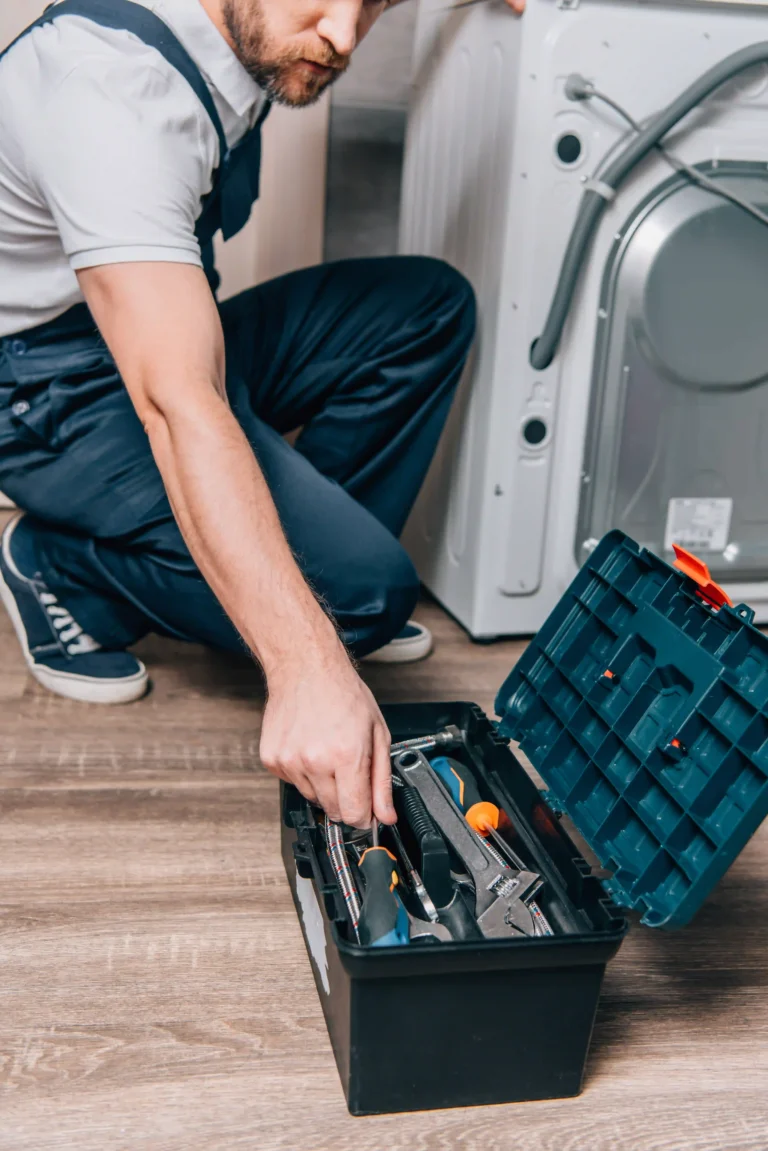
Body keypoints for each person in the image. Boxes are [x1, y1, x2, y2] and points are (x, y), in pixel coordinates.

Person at [0, 0, 523, 829]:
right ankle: (60, 567)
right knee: (363, 598)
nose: (346, 36)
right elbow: (178, 405)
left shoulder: (270, 24)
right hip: (45, 386)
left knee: (428, 307)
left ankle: (310, 576)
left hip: (154, 318)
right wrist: (307, 665)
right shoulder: (108, 91)